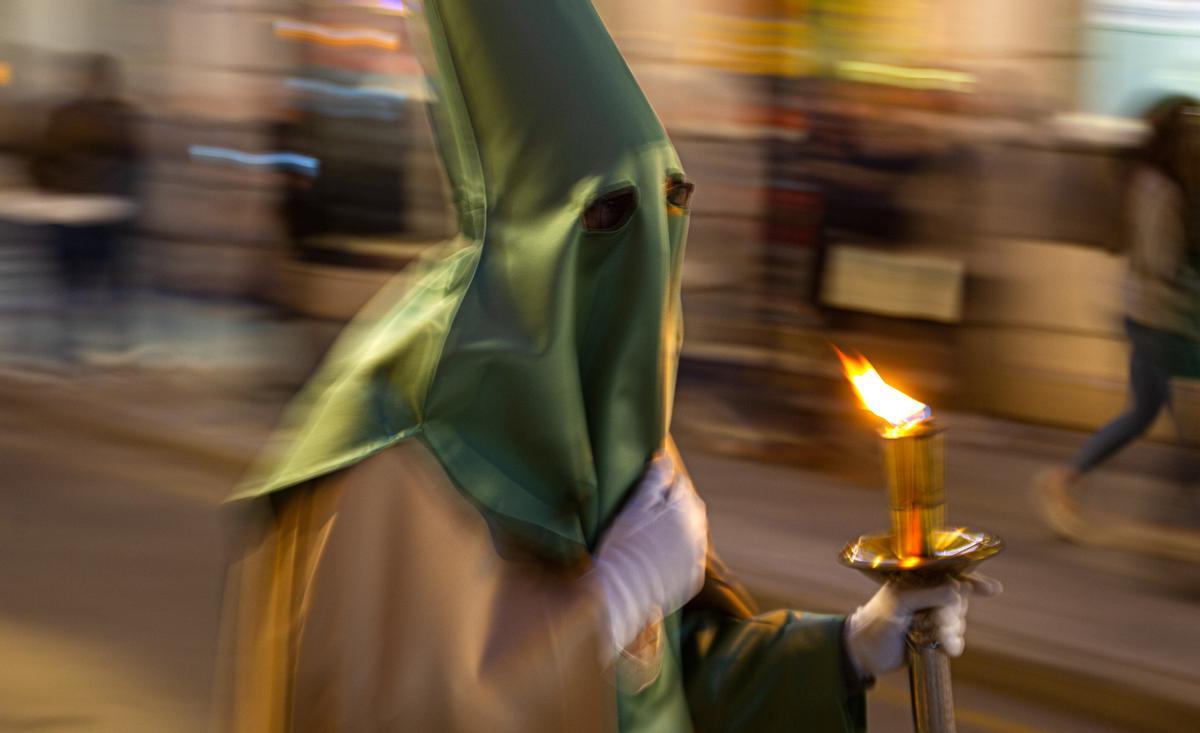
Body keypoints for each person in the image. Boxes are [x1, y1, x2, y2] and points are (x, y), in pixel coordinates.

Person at [217, 3, 996, 731]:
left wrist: (854, 644)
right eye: (605, 216)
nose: (642, 257)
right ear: (525, 227)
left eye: (667, 203)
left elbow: (665, 687)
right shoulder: (403, 429)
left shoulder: (594, 403)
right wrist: (612, 602)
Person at [1041, 95, 1200, 525]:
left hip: (1155, 316)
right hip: (1160, 320)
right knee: (1152, 413)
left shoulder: (1163, 182)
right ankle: (1066, 479)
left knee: (1143, 411)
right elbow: (1162, 264)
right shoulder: (1159, 189)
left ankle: (1064, 477)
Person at [30, 53, 140, 361]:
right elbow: (135, 162)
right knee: (112, 277)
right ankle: (120, 341)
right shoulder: (120, 118)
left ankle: (69, 344)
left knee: (69, 279)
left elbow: (39, 159)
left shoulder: (61, 115)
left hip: (66, 209)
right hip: (106, 209)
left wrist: (51, 190)